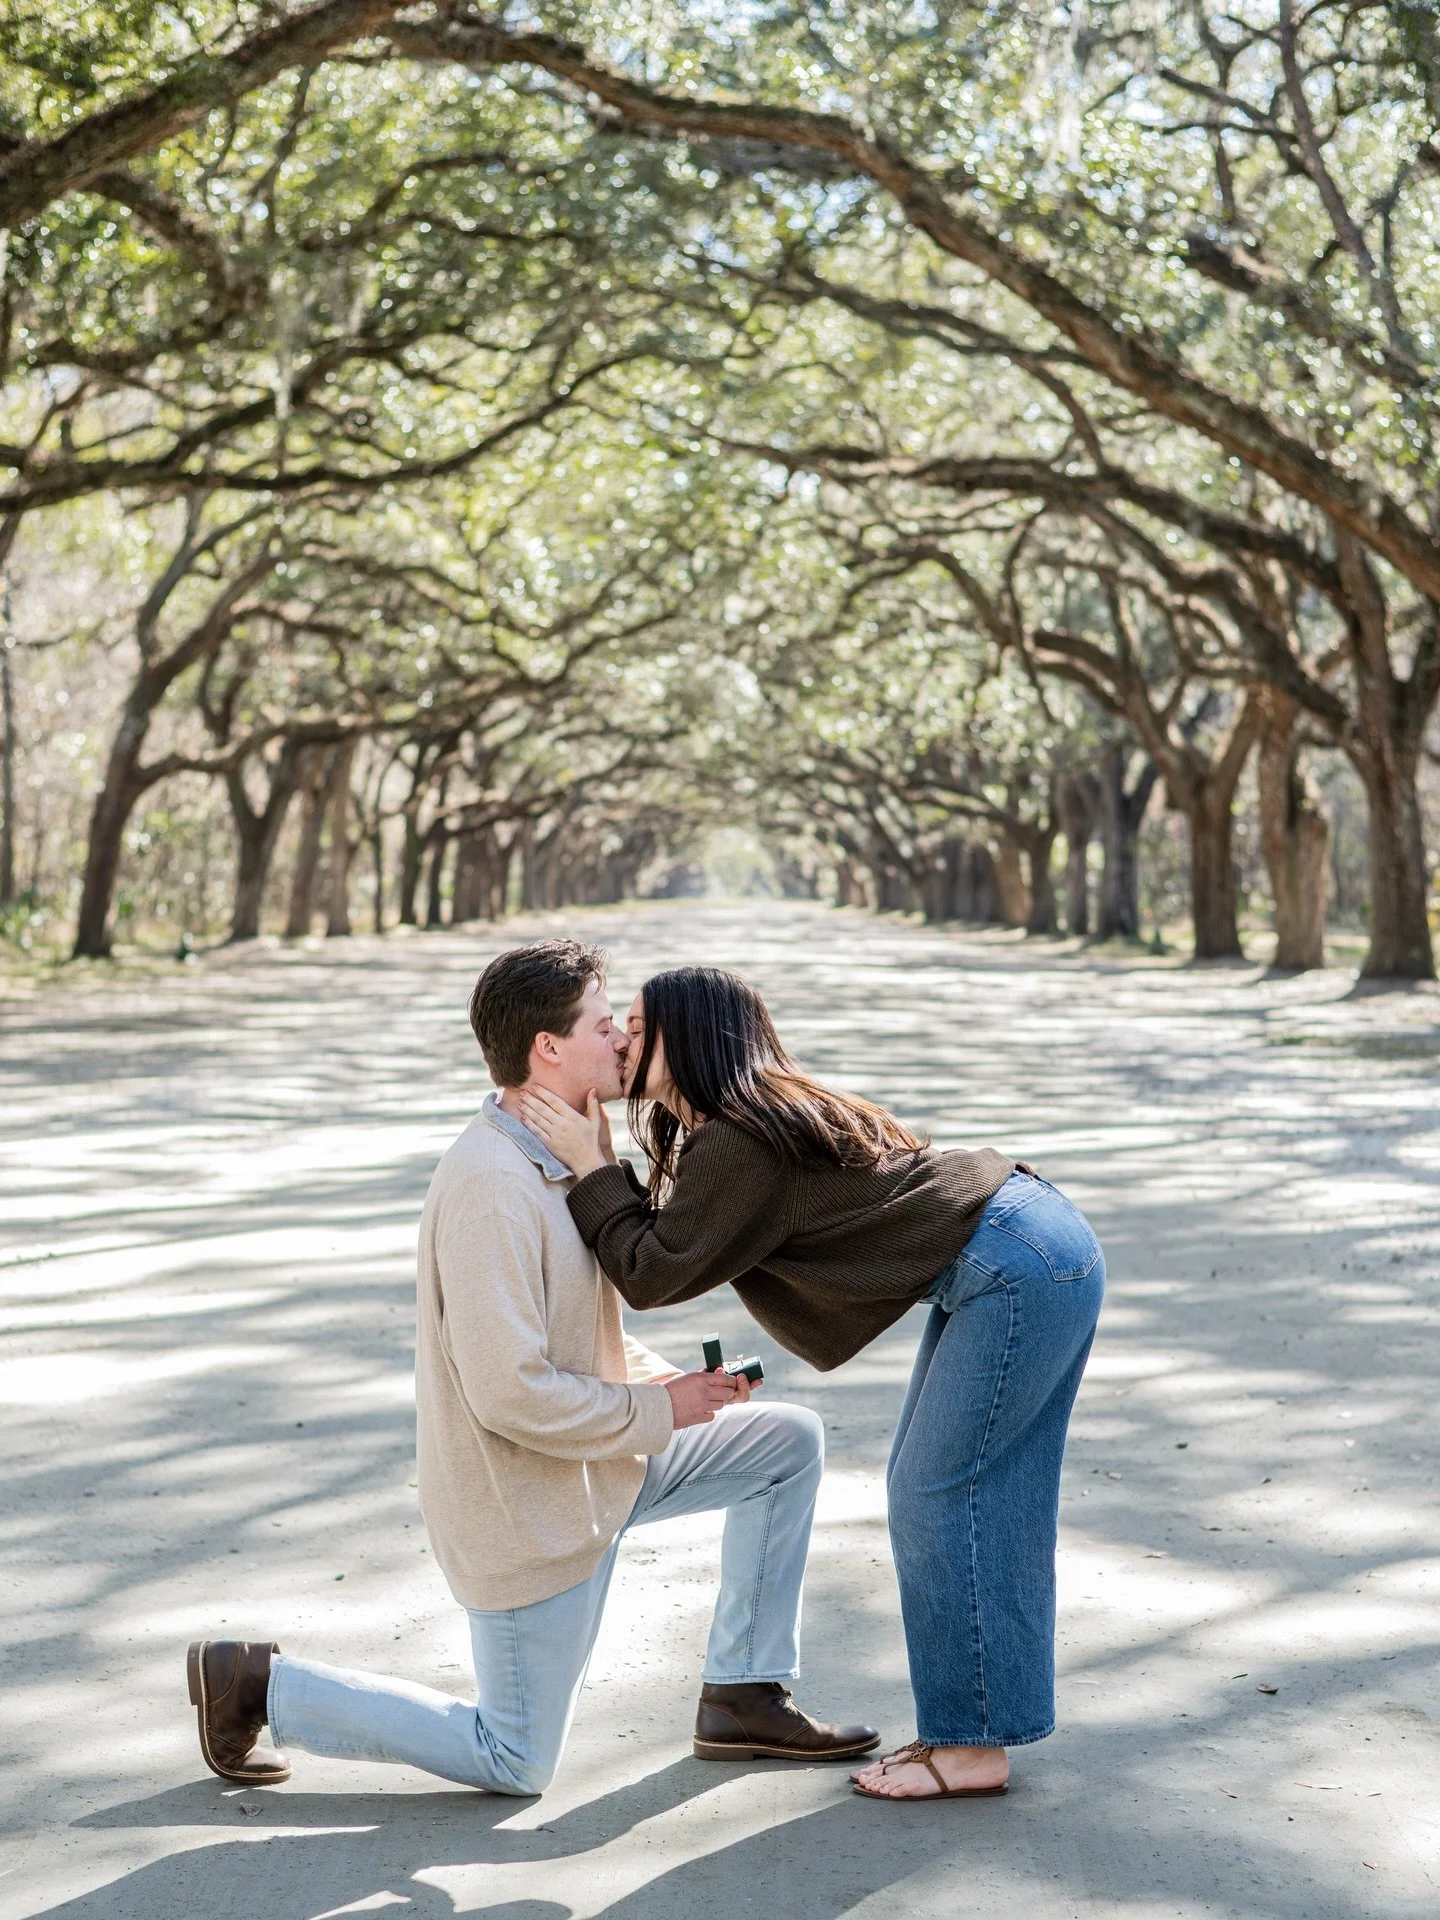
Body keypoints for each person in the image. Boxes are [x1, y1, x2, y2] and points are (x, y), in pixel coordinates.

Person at [186, 940, 878, 1794]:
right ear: (547, 1049)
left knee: (784, 1442)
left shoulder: (567, 1152)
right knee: (514, 1758)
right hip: (529, 1508)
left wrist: (672, 1386)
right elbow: (511, 1392)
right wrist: (661, 1412)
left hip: (601, 1466)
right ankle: (258, 1682)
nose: (624, 1042)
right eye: (604, 1024)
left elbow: (583, 1336)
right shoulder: (492, 1186)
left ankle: (743, 1695)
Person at [519, 964, 1105, 1804]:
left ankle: (972, 1747)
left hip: (1018, 1265)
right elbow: (672, 1239)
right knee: (966, 1491)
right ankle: (974, 1733)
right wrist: (608, 1167)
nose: (621, 1040)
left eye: (640, 1027)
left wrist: (588, 1168)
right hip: (1027, 1246)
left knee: (939, 1493)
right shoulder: (737, 1122)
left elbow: (651, 1271)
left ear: (688, 1038)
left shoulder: (738, 1137)